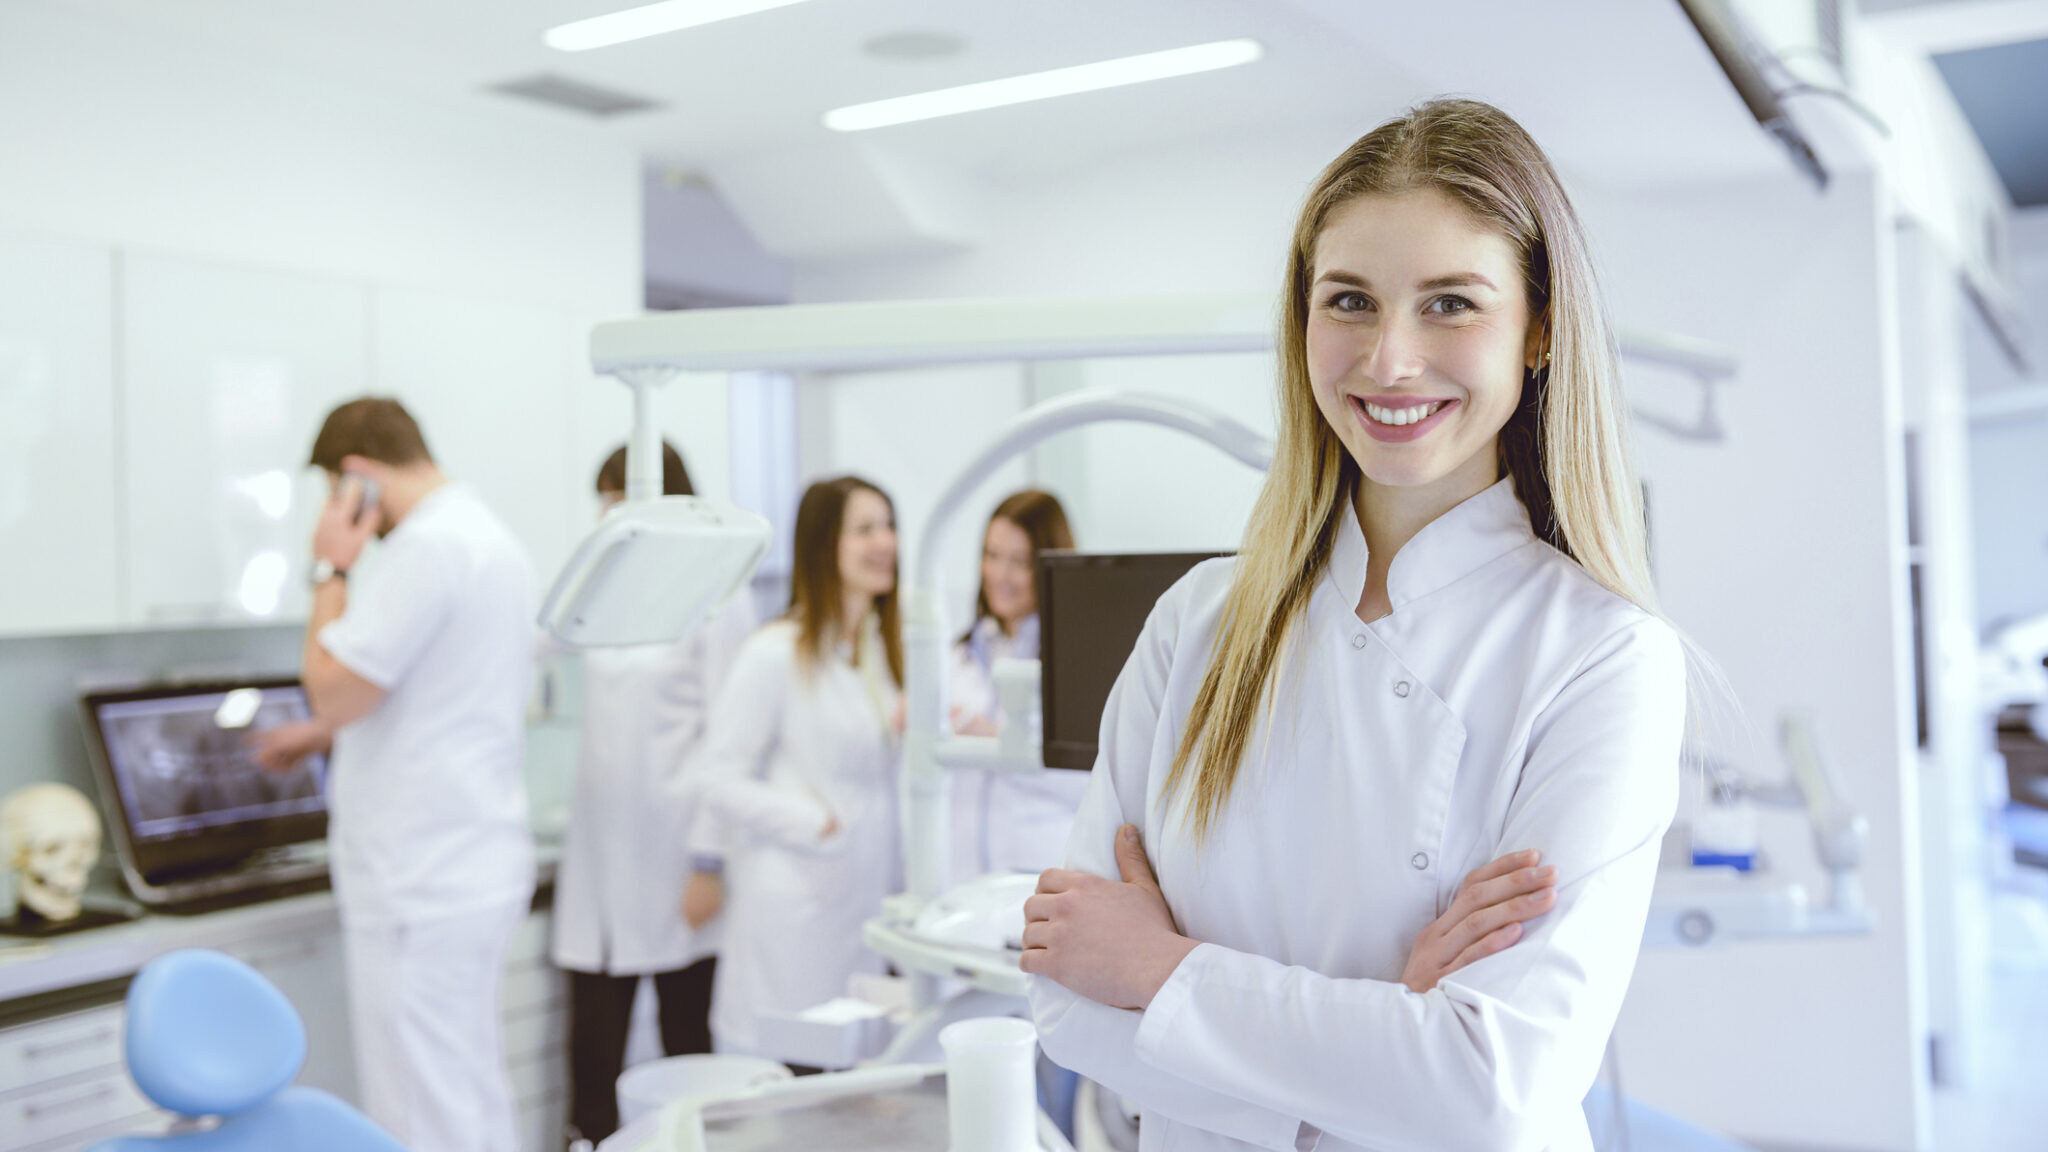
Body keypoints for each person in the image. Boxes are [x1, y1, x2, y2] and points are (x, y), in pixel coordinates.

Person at [1021, 98, 1691, 1152]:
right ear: (1301, 324)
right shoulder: (1194, 624)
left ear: (1539, 329)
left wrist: (1157, 973)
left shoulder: (1601, 656)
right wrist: (1385, 1036)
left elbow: (1490, 1087)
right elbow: (1065, 1005)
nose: (1386, 360)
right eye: (1348, 301)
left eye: (1448, 305)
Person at [253, 397, 537, 1152]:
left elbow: (333, 686)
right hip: (471, 862)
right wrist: (322, 734)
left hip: (421, 875)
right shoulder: (487, 536)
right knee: (467, 1089)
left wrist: (330, 567)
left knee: (417, 1111)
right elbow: (437, 690)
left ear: (357, 480)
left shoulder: (426, 547)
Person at [551, 440, 758, 1146]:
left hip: (681, 863)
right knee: (592, 1052)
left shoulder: (716, 597)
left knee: (685, 1045)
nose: (607, 516)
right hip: (602, 868)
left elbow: (730, 741)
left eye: (618, 500)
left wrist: (710, 862)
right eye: (605, 503)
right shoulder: (607, 599)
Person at [680, 476, 904, 1062]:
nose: (885, 542)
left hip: (859, 908)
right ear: (823, 545)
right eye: (865, 529)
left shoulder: (878, 654)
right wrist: (813, 823)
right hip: (792, 906)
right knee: (783, 1078)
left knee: (846, 1080)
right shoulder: (773, 653)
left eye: (888, 526)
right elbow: (716, 776)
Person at [947, 490, 1091, 885]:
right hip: (967, 871)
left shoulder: (1075, 663)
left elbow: (1088, 785)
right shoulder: (960, 655)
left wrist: (999, 739)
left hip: (1039, 868)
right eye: (992, 556)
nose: (1000, 575)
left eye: (1018, 562)